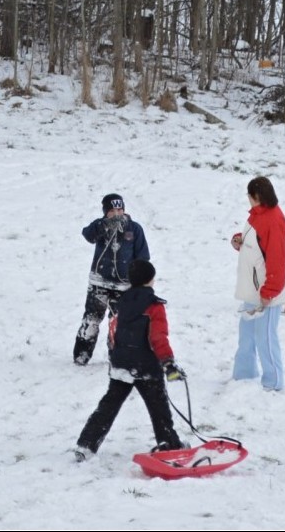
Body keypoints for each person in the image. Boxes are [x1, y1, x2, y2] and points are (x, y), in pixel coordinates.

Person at [75, 260, 189, 461]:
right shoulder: (154, 306)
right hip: (146, 367)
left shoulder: (122, 303)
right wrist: (168, 363)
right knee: (158, 408)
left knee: (108, 406)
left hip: (121, 364)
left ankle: (86, 445)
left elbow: (114, 331)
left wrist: (116, 355)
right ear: (150, 280)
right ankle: (169, 445)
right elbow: (158, 338)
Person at [230, 176, 285, 391]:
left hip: (267, 291)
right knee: (247, 335)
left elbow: (277, 259)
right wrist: (239, 239)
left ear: (256, 197)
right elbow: (254, 242)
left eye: (249, 196)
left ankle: (273, 381)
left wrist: (270, 291)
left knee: (266, 338)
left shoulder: (273, 220)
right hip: (252, 289)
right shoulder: (256, 215)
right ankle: (244, 374)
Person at [74, 193, 150, 366]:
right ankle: (82, 354)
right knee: (91, 319)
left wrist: (139, 281)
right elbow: (88, 235)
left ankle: (117, 356)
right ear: (105, 212)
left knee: (118, 323)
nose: (117, 213)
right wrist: (104, 226)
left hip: (123, 286)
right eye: (112, 210)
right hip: (99, 282)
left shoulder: (134, 229)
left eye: (120, 209)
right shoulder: (99, 226)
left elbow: (143, 256)